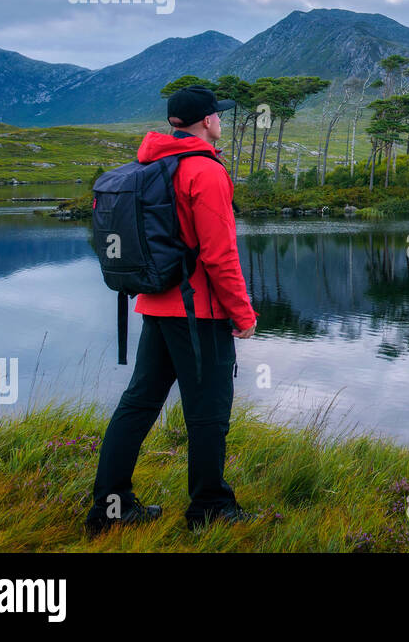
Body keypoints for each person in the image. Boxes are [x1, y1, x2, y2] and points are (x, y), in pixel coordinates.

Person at [85, 85, 258, 536]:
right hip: (199, 312)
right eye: (218, 115)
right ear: (206, 121)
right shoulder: (206, 172)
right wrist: (243, 314)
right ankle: (210, 508)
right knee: (209, 413)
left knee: (137, 405)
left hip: (154, 305)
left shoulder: (154, 164)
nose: (221, 120)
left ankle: (110, 508)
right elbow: (219, 256)